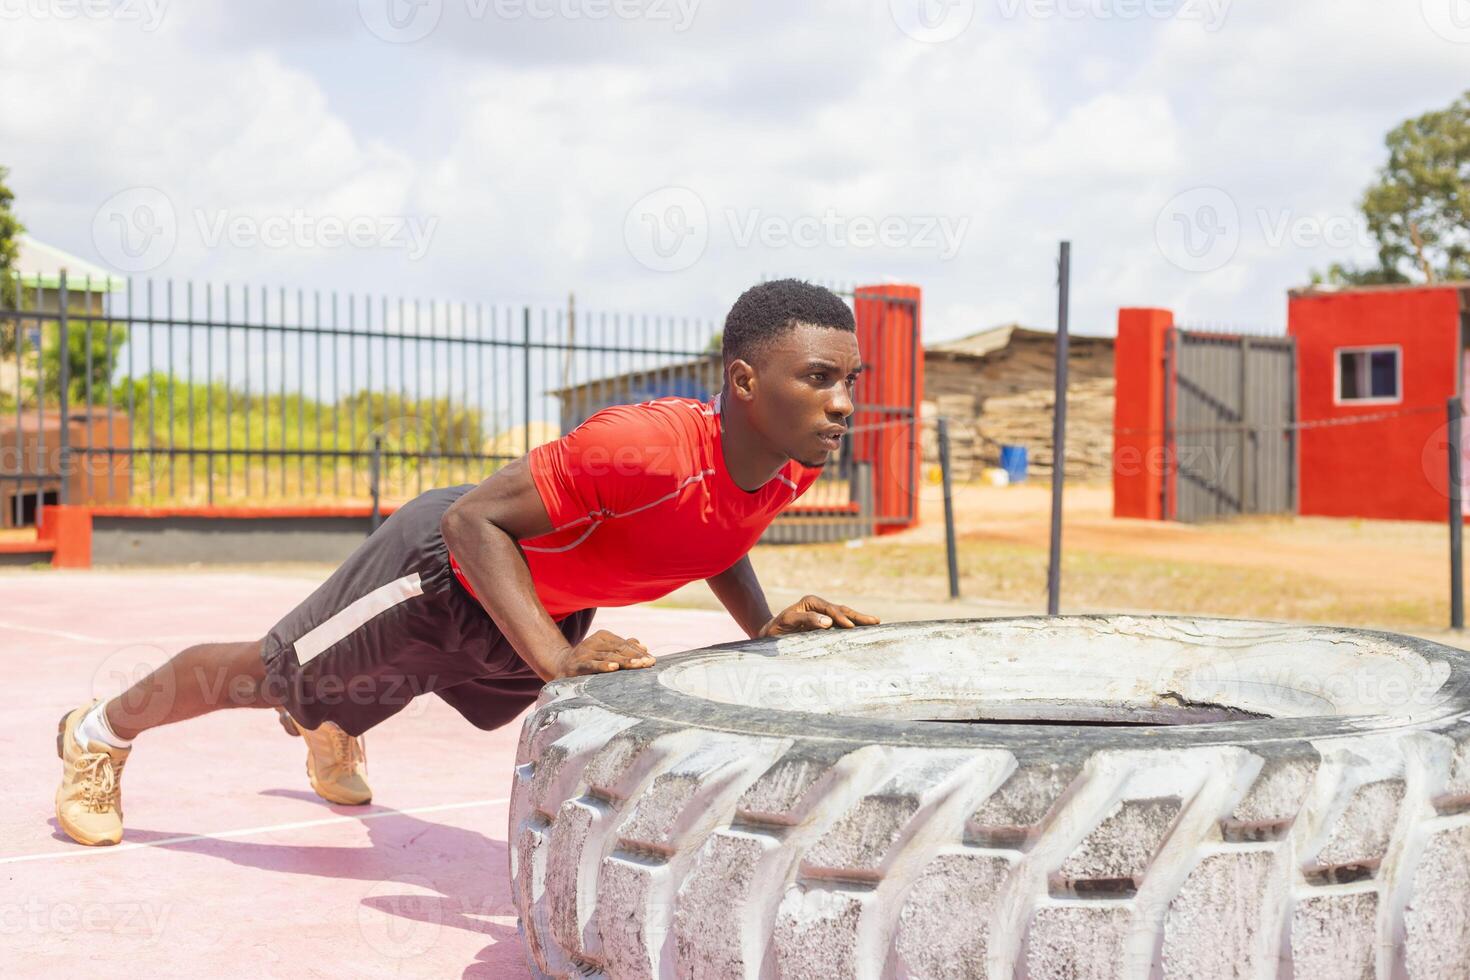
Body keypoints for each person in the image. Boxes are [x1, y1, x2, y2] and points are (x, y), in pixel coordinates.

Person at [54, 278, 880, 846]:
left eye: (850, 379)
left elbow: (717, 536)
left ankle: (331, 722)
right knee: (270, 672)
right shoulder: (646, 446)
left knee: (403, 678)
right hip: (444, 564)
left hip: (541, 602)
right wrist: (555, 658)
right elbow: (474, 519)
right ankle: (99, 735)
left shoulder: (792, 457)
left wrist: (763, 622)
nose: (843, 402)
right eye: (818, 378)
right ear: (743, 379)